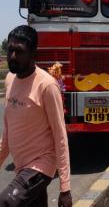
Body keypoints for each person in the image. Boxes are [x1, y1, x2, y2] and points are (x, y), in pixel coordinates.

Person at [0, 25, 72, 207]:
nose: (12, 56)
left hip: (42, 166)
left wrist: (65, 187)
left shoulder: (46, 86)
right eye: (10, 50)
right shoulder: (10, 80)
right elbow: (8, 133)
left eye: (19, 51)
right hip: (21, 167)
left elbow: (60, 135)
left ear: (34, 54)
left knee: (6, 201)